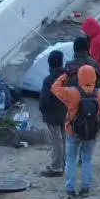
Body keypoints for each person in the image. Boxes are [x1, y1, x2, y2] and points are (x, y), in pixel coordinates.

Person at [51, 61, 100, 198]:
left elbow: (54, 88)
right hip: (91, 132)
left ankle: (70, 189)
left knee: (71, 160)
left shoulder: (72, 93)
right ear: (94, 78)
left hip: (73, 131)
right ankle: (85, 188)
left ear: (79, 77)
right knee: (86, 159)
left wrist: (66, 75)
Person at [36, 48, 69, 177]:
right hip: (65, 113)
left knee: (56, 141)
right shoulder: (67, 78)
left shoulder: (49, 80)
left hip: (52, 115)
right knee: (64, 139)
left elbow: (44, 101)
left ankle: (56, 166)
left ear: (49, 64)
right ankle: (64, 162)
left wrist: (42, 110)